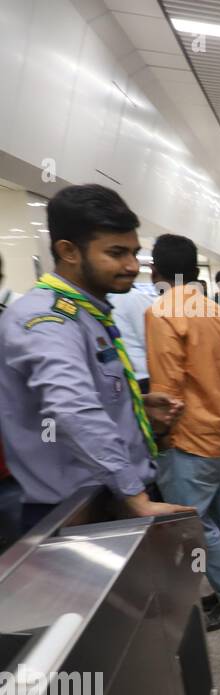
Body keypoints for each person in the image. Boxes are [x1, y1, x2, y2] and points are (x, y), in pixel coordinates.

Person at [0, 184, 188, 532]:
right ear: (69, 251)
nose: (132, 266)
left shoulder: (88, 313)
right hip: (74, 512)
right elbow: (71, 408)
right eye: (117, 253)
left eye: (134, 252)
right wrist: (134, 495)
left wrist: (135, 406)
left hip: (108, 497)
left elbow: (81, 393)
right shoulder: (46, 320)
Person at [147, 234, 220, 631]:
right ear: (195, 270)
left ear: (155, 271)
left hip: (190, 437)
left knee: (193, 522)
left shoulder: (163, 312)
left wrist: (159, 437)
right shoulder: (218, 312)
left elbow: (167, 390)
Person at [106, 272, 158, 393]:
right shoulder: (97, 302)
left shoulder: (133, 297)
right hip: (121, 380)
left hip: (144, 378)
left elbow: (152, 340)